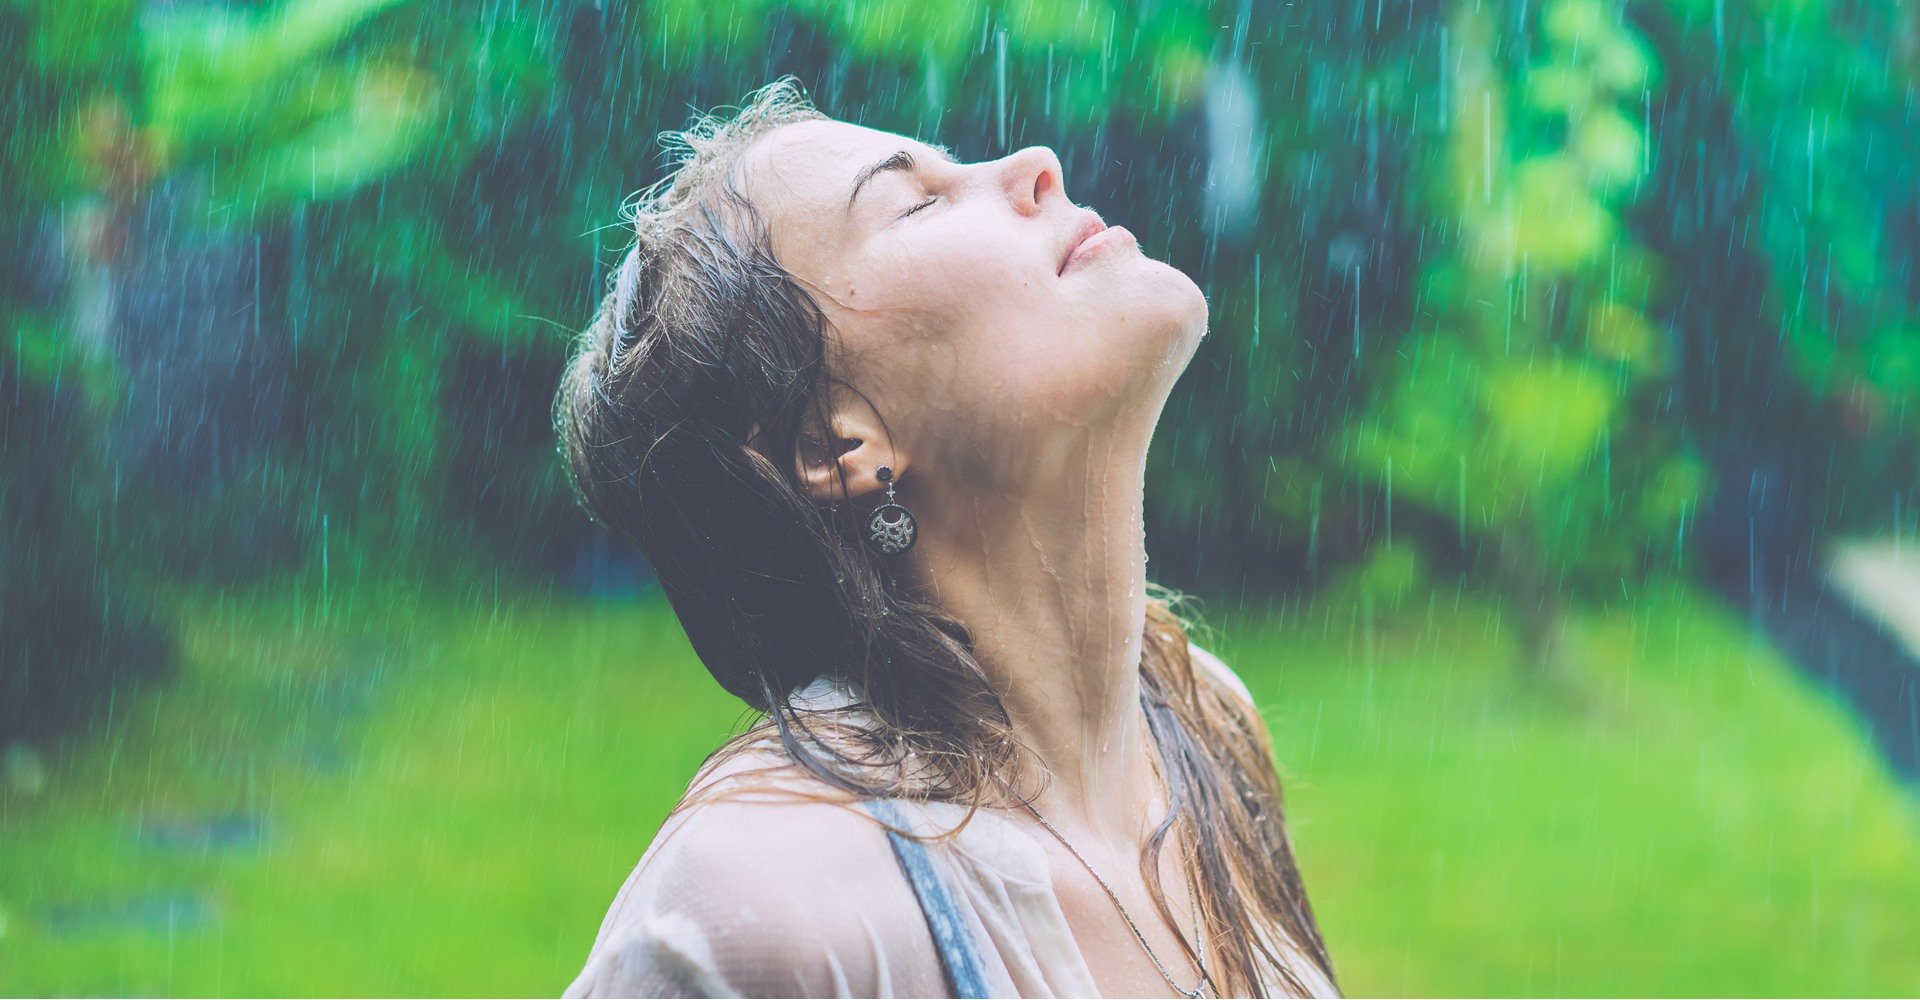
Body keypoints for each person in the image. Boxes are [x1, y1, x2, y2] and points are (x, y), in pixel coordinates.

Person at [554, 77, 1341, 999]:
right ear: (836, 440)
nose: (1036, 166)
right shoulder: (765, 912)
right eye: (917, 202)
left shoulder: (1205, 729)